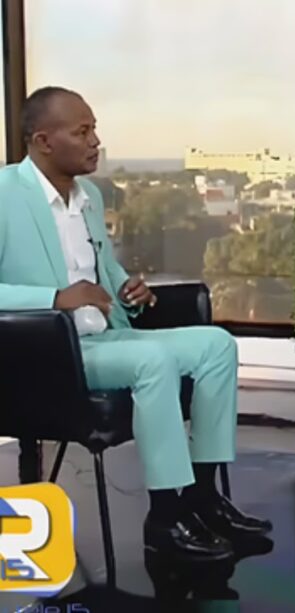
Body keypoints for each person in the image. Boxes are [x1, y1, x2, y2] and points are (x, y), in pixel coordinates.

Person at [0, 86, 271, 561]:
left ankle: (202, 499)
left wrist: (130, 289)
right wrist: (55, 298)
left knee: (216, 345)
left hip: (106, 336)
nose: (95, 141)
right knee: (153, 358)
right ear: (43, 141)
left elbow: (102, 269)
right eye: (82, 132)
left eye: (94, 129)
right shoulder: (6, 194)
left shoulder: (87, 195)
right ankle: (165, 517)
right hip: (50, 352)